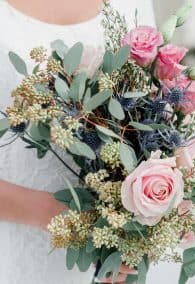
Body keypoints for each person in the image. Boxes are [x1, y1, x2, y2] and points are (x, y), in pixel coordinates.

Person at [0, 0, 155, 283]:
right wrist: (63, 215)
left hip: (106, 256)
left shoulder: (134, 4)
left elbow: (149, 110)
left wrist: (143, 221)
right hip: (12, 252)